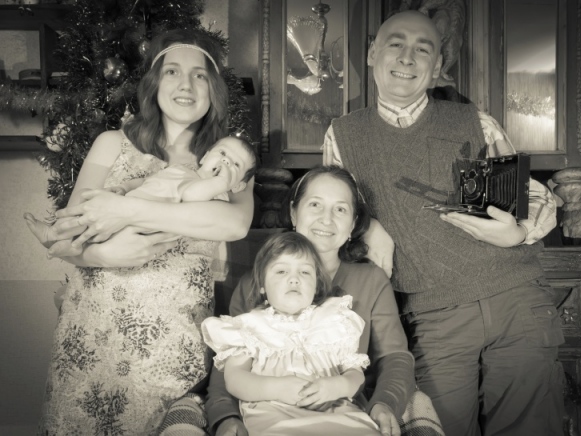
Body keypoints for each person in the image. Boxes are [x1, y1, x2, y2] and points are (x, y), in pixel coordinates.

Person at [323, 10, 564, 436]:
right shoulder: (342, 136)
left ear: (436, 67)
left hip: (517, 300)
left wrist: (518, 232)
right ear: (373, 52)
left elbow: (534, 197)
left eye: (423, 50)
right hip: (432, 317)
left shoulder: (474, 121)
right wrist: (367, 224)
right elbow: (330, 218)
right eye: (396, 43)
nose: (407, 57)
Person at [30, 28, 254, 435]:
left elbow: (235, 224)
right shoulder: (110, 144)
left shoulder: (229, 160)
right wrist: (104, 255)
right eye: (172, 71)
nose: (186, 85)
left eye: (200, 75)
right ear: (154, 83)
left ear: (214, 90)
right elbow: (67, 237)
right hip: (93, 338)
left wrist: (125, 209)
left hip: (173, 346)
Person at [206, 166, 445, 436]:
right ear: (294, 212)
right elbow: (227, 362)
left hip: (344, 408)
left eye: (340, 209)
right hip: (271, 412)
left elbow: (394, 356)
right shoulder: (255, 282)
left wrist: (384, 403)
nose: (326, 219)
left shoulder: (371, 280)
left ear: (353, 224)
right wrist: (226, 417)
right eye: (315, 204)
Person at [201, 231, 381, 436]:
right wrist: (276, 389)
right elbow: (234, 379)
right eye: (281, 271)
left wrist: (337, 386)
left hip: (337, 413)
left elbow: (355, 375)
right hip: (275, 417)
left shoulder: (334, 320)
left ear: (316, 285)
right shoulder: (250, 326)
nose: (294, 279)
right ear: (262, 285)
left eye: (304, 272)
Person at [26, 132, 256, 259]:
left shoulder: (210, 193)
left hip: (141, 226)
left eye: (235, 164)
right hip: (127, 203)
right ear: (205, 157)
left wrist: (219, 183)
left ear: (238, 185)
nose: (225, 161)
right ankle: (53, 235)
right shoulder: (183, 169)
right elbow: (149, 180)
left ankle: (69, 245)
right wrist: (125, 188)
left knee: (96, 230)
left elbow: (191, 197)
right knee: (86, 215)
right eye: (222, 153)